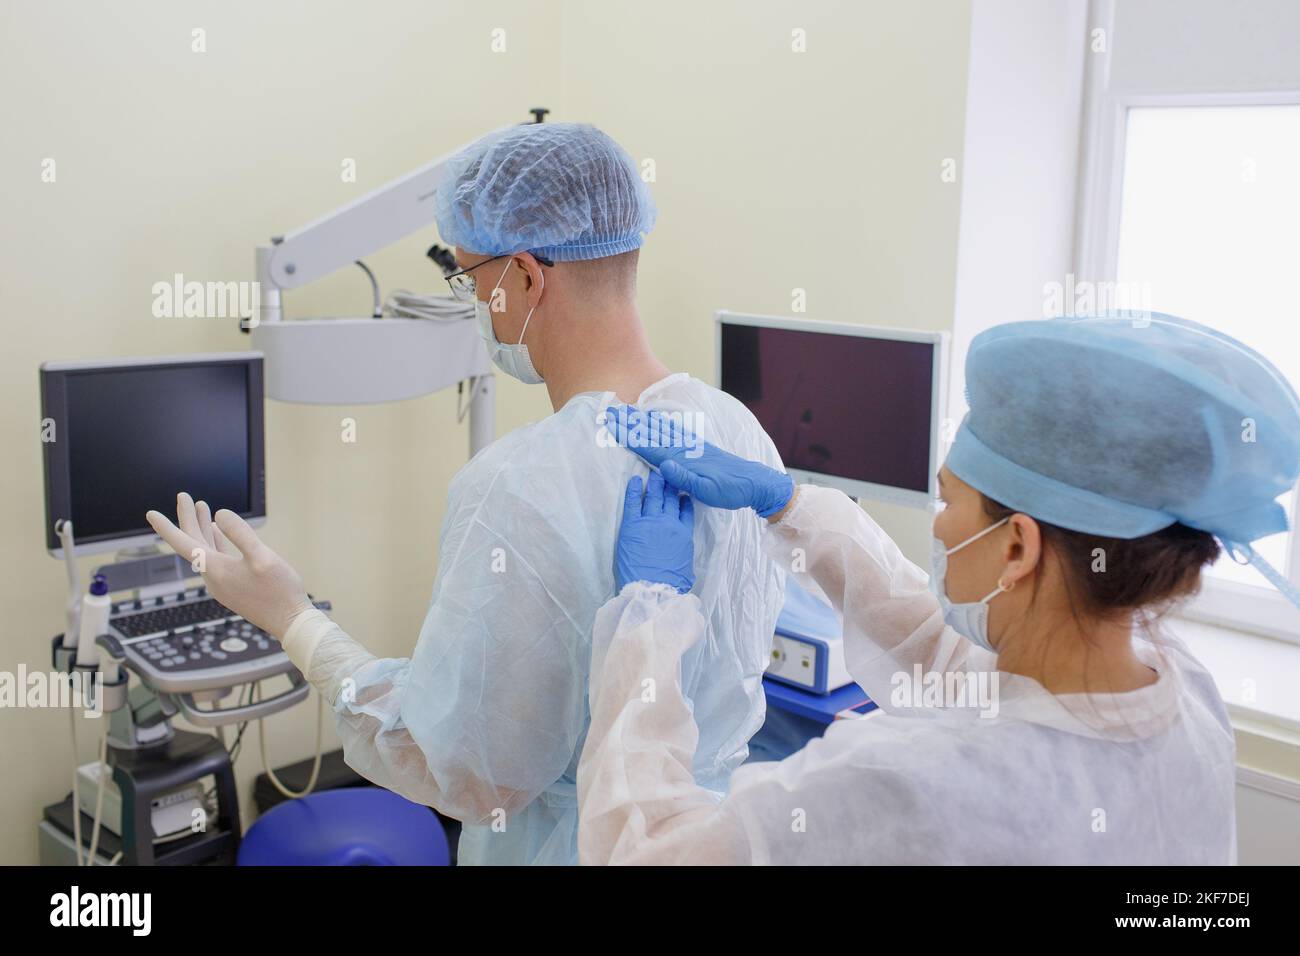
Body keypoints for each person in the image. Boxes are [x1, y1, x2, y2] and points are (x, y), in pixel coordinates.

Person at [145, 123, 787, 865]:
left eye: (469, 280)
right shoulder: (738, 435)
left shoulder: (522, 488)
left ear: (524, 276)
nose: (475, 303)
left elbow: (460, 769)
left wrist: (287, 616)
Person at [578, 312, 1300, 865]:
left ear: (1017, 546)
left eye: (948, 498)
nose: (940, 522)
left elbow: (644, 851)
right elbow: (952, 670)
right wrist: (789, 505)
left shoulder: (914, 781)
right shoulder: (1184, 695)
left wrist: (649, 618)